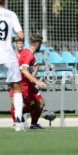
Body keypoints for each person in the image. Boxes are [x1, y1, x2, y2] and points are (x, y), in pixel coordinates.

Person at [0, 0, 25, 131]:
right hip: (8, 55)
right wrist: (10, 39)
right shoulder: (11, 14)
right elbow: (21, 35)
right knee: (16, 88)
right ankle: (19, 123)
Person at [16, 34, 46, 129]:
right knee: (34, 105)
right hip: (23, 85)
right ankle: (18, 113)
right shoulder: (28, 54)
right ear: (37, 44)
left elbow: (36, 66)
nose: (40, 46)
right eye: (40, 43)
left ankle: (33, 124)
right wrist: (37, 81)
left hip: (28, 84)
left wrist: (32, 77)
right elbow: (24, 70)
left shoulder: (27, 52)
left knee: (41, 103)